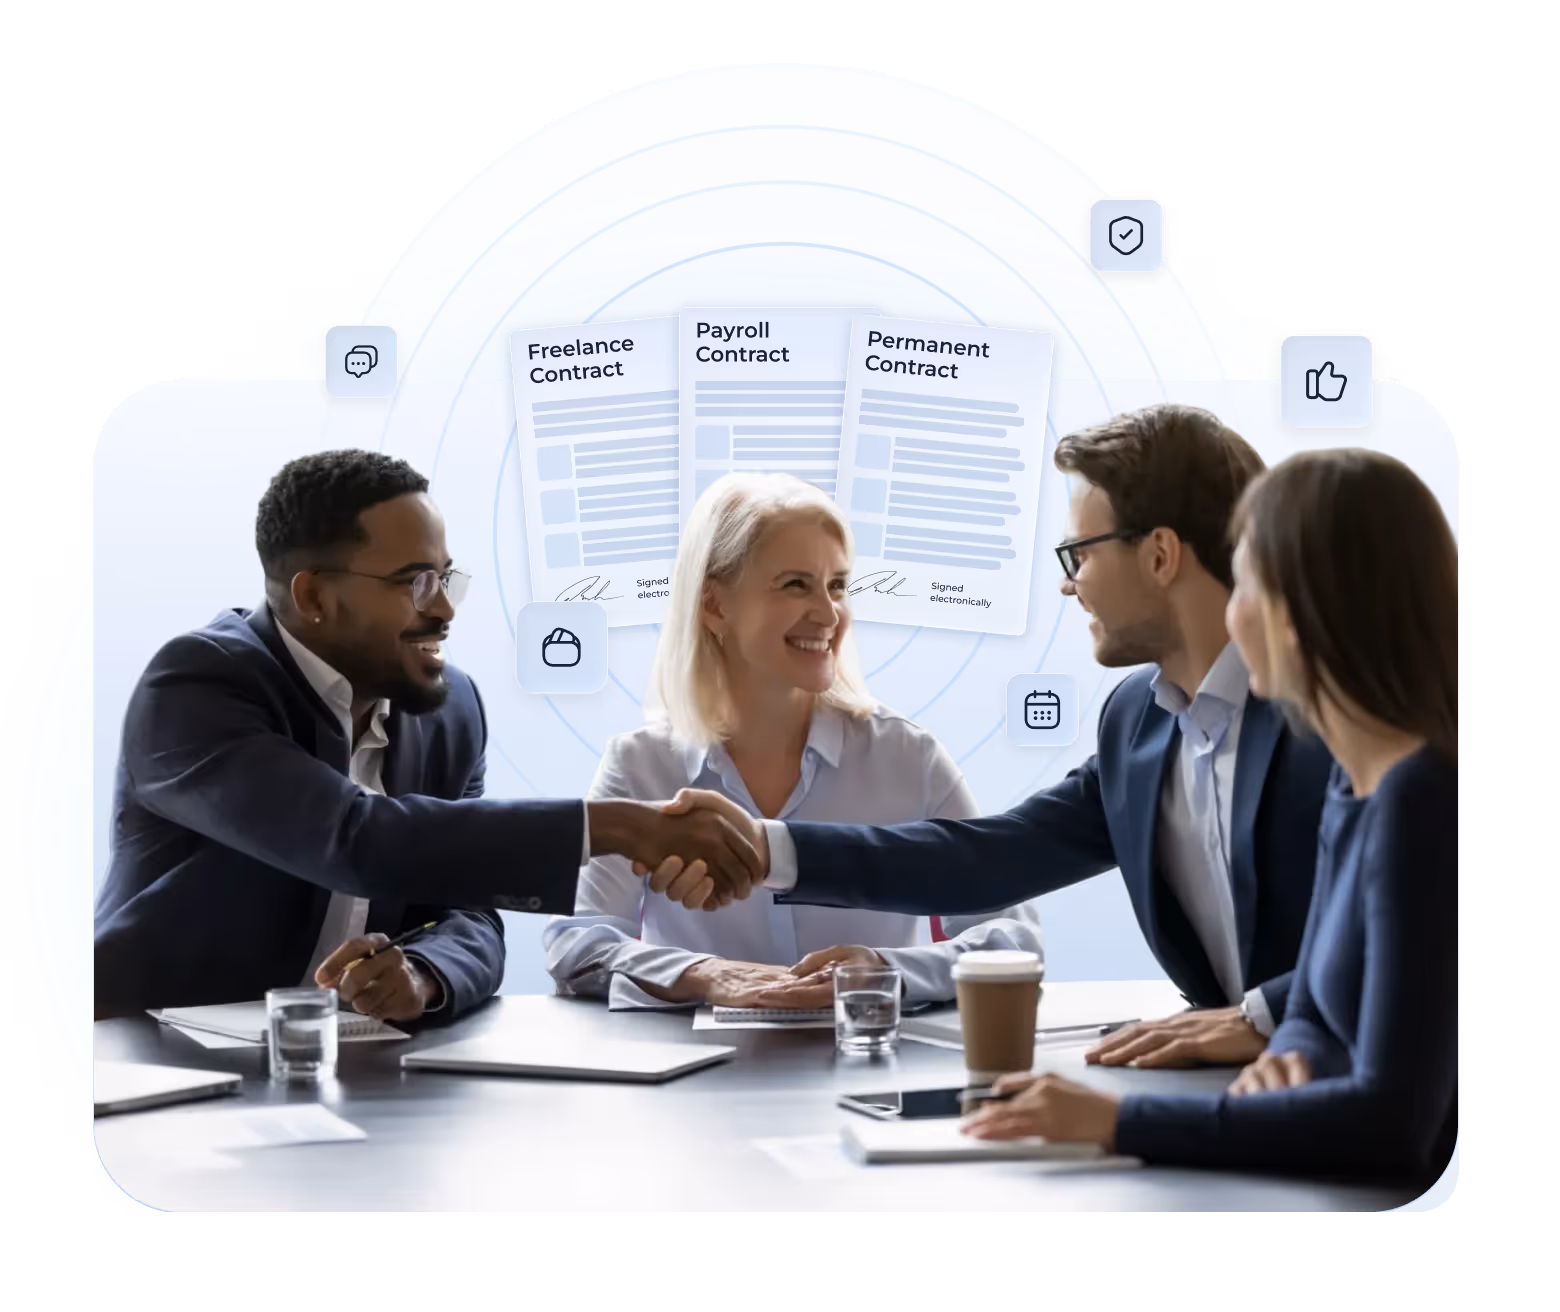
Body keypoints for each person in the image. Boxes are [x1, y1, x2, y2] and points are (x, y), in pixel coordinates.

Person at [646, 405, 1335, 1063]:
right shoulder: (1140, 723)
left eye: (1080, 554)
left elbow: (1420, 925)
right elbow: (987, 857)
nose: (1071, 586)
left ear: (1159, 556)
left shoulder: (1341, 710)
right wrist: (762, 847)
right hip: (1237, 1098)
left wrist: (1262, 1016)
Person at [94, 451, 763, 1021]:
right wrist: (619, 827)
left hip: (353, 1071)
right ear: (315, 598)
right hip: (156, 1061)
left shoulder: (450, 711)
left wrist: (421, 974)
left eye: (445, 578)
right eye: (414, 582)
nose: (443, 607)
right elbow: (353, 838)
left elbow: (469, 913)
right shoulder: (198, 687)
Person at [961, 450, 1457, 1183]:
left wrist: (1114, 1120)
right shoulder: (1356, 791)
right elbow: (1318, 1013)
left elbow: (1395, 1124)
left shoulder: (1422, 799)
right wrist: (1292, 1061)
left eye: (1248, 581)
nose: (1229, 610)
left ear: (1310, 606)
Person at [544, 473, 1043, 1010]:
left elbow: (1011, 939)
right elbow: (577, 943)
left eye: (838, 586)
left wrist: (883, 970)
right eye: (795, 585)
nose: (829, 615)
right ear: (714, 606)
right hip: (697, 1083)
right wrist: (703, 974)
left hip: (868, 1068)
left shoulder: (908, 758)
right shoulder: (641, 764)